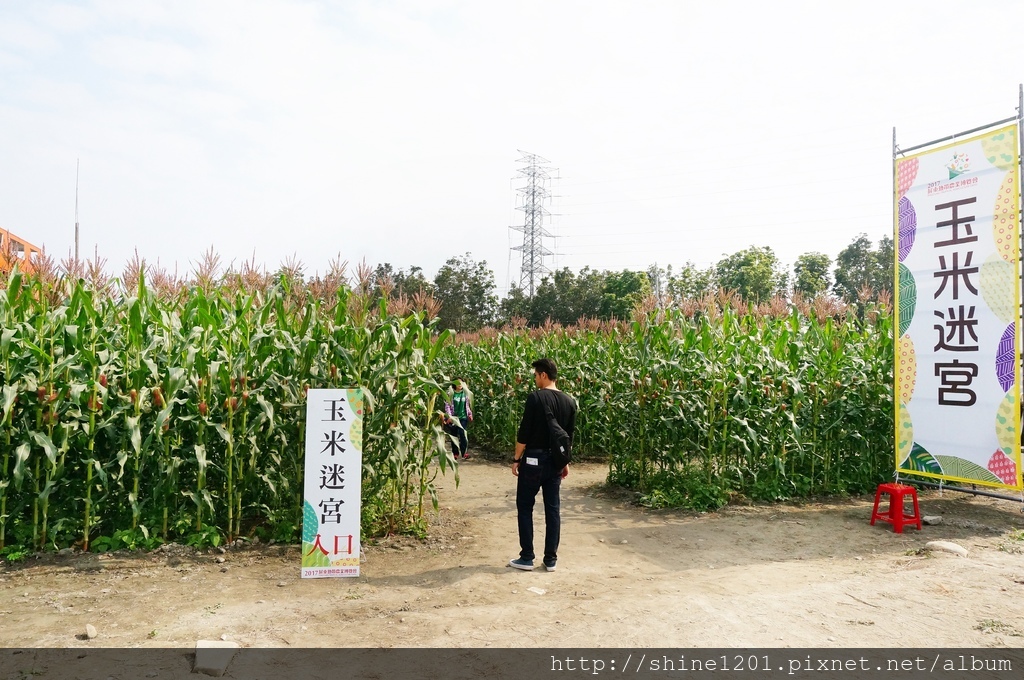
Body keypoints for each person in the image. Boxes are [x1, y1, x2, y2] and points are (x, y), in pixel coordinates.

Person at [509, 357, 576, 572]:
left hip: (533, 460)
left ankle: (527, 557)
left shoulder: (535, 399)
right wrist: (565, 462)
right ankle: (550, 560)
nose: (535, 379)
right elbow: (568, 437)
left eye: (536, 375)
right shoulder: (569, 401)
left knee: (525, 506)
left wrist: (516, 459)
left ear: (543, 375)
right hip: (556, 461)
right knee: (553, 509)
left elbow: (524, 433)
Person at [444, 378, 473, 459]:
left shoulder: (466, 393)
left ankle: (464, 453)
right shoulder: (451, 393)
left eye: (461, 383)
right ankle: (455, 453)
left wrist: (470, 414)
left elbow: (467, 405)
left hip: (463, 417)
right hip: (453, 418)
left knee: (463, 435)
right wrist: (449, 417)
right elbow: (447, 406)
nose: (460, 384)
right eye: (458, 383)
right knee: (454, 436)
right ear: (454, 384)